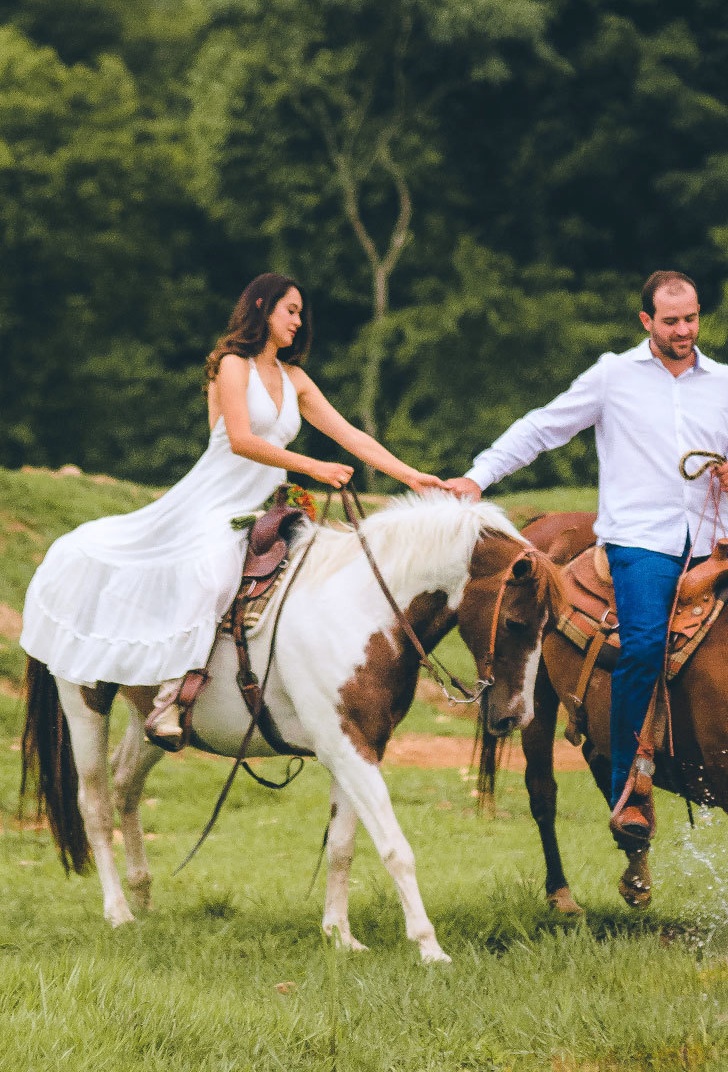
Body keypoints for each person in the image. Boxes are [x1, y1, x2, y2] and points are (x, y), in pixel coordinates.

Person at [20, 272, 446, 748]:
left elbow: (351, 435)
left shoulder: (296, 380)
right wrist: (311, 466)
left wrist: (410, 475)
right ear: (263, 309)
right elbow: (241, 440)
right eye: (291, 310)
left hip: (261, 502)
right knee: (213, 572)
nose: (298, 322)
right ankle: (170, 696)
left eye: (301, 313)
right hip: (212, 498)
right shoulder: (232, 365)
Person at [445, 270, 728, 845]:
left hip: (718, 533)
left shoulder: (725, 381)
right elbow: (542, 428)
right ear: (647, 322)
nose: (684, 330)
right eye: (670, 321)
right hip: (644, 540)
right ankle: (629, 787)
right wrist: (477, 477)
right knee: (643, 645)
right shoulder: (613, 375)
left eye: (691, 318)